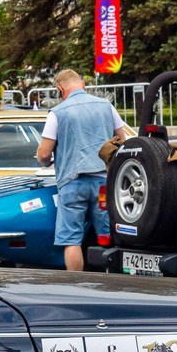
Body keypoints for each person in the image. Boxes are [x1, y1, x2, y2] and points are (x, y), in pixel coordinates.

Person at [36, 68, 125, 273]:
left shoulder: (57, 113)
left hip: (72, 181)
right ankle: (111, 279)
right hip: (104, 180)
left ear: (60, 89)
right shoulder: (106, 106)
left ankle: (75, 284)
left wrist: (46, 161)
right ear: (83, 84)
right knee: (107, 235)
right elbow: (122, 140)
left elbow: (43, 153)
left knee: (71, 238)